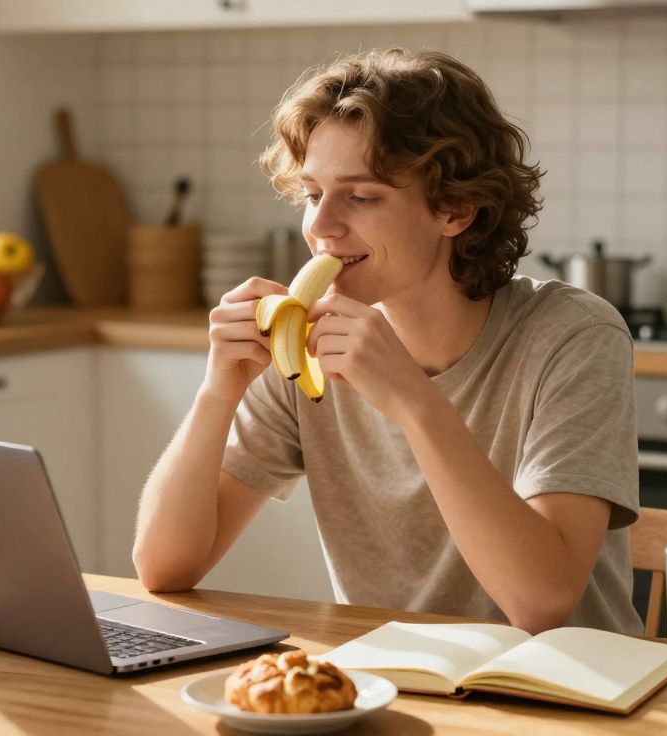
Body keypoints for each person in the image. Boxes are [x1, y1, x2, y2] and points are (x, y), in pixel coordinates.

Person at [132, 48, 641, 636]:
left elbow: (541, 604)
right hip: (391, 687)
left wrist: (413, 401)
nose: (320, 227)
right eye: (312, 194)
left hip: (566, 698)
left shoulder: (572, 336)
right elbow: (164, 568)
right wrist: (217, 393)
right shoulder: (305, 350)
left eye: (362, 196)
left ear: (455, 208)